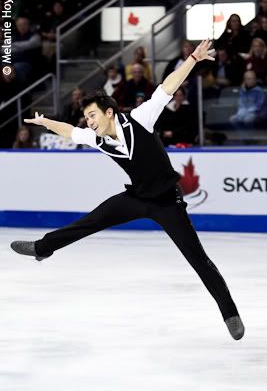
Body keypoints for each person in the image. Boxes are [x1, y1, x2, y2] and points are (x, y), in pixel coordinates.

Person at [11, 40, 244, 341]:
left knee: (198, 258)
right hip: (136, 197)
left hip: (166, 202)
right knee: (91, 219)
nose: (89, 121)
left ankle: (230, 313)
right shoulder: (98, 138)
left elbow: (167, 88)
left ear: (109, 112)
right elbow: (71, 131)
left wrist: (193, 59)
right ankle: (42, 248)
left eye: (93, 115)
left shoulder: (140, 119)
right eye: (88, 117)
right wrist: (46, 122)